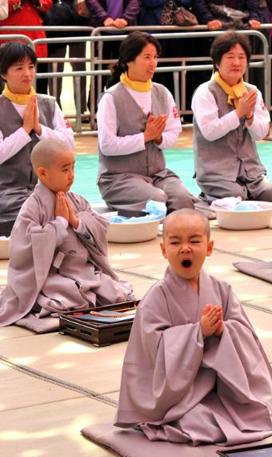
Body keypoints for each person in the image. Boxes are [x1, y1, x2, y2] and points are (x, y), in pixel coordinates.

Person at [115, 208, 272, 445]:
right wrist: (197, 333)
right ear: (164, 250)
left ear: (209, 247)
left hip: (221, 386)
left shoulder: (221, 289)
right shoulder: (156, 297)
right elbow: (150, 352)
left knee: (250, 413)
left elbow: (246, 336)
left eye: (194, 241)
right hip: (178, 397)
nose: (185, 248)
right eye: (175, 242)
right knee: (199, 422)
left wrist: (222, 330)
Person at [0, 139, 134, 328]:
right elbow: (25, 247)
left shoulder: (78, 201)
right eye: (65, 170)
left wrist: (77, 222)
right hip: (51, 277)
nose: (71, 176)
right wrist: (60, 223)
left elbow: (100, 228)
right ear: (43, 173)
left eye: (73, 168)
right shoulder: (31, 208)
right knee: (66, 301)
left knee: (118, 294)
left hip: (83, 272)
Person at [97, 32, 195, 213]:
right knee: (157, 201)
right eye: (147, 57)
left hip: (157, 175)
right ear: (129, 60)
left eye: (155, 57)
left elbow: (174, 132)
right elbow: (107, 145)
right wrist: (145, 137)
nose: (153, 63)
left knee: (183, 201)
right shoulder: (111, 97)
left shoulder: (162, 92)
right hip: (120, 177)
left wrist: (158, 138)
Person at [192, 32, 272, 203]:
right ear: (217, 62)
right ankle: (208, 193)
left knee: (269, 194)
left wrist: (250, 115)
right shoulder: (205, 91)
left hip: (249, 170)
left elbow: (261, 133)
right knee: (236, 197)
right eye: (230, 57)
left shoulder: (252, 91)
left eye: (242, 57)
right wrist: (238, 113)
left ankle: (241, 190)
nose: (237, 63)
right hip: (216, 171)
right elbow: (210, 132)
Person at [0, 43, 74, 223]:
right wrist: (25, 130)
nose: (27, 73)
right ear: (3, 74)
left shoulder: (49, 103)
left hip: (50, 188)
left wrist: (39, 129)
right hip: (8, 193)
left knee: (77, 212)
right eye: (19, 68)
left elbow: (69, 145)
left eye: (31, 67)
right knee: (39, 214)